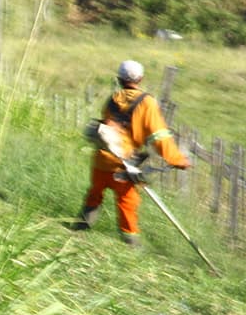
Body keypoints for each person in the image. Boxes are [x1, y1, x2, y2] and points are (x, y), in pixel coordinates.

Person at [74, 59, 191, 245]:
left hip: (101, 159)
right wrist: (177, 160)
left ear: (119, 78)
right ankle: (131, 244)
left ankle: (80, 228)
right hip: (123, 163)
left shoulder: (113, 99)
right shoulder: (147, 103)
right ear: (140, 78)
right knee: (127, 202)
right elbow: (159, 136)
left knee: (95, 193)